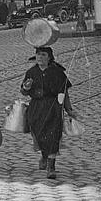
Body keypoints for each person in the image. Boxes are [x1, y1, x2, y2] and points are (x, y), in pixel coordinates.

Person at [21, 47, 78, 179]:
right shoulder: (31, 72)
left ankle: (51, 167)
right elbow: (23, 91)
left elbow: (64, 92)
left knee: (53, 135)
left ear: (49, 57)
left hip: (53, 107)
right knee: (39, 134)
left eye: (43, 55)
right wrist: (26, 87)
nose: (39, 57)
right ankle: (44, 155)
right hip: (36, 107)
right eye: (37, 54)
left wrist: (68, 109)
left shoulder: (57, 72)